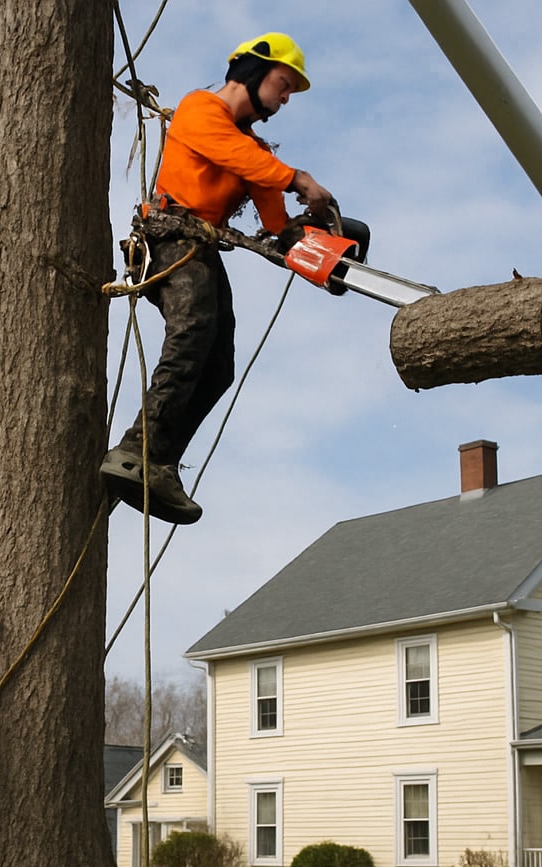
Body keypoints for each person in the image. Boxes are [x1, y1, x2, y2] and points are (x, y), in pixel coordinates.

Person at [100, 31, 337, 525]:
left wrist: (322, 244)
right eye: (283, 82)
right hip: (169, 236)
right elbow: (240, 158)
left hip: (201, 248)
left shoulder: (252, 149)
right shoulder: (199, 110)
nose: (286, 96)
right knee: (192, 336)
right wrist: (299, 178)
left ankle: (159, 462)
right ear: (252, 72)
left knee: (218, 365)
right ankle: (135, 451)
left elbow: (276, 224)